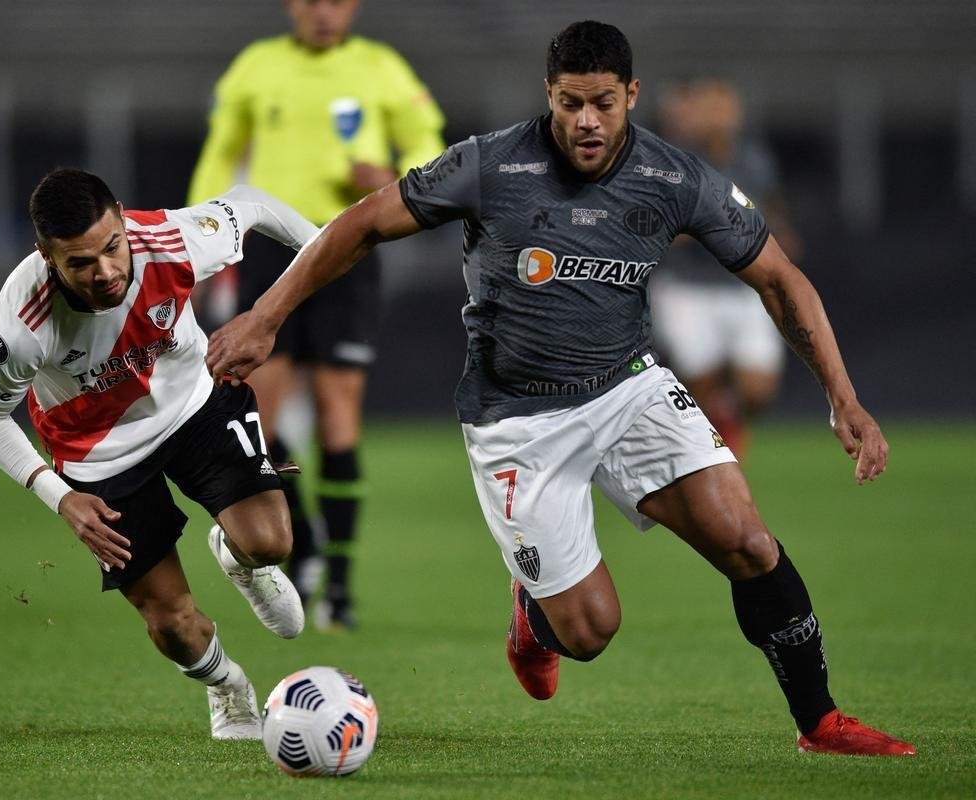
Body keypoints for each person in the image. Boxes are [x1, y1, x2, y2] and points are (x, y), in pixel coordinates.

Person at [204, 22, 916, 756]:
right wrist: (266, 315)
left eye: (604, 103)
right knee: (590, 632)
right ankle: (534, 616)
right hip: (518, 422)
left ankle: (820, 722)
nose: (586, 121)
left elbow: (779, 278)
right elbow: (360, 224)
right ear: (549, 94)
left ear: (631, 95)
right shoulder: (488, 166)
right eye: (570, 102)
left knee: (748, 541)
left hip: (628, 388)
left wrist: (843, 394)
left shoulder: (676, 177)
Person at [0, 168, 316, 740]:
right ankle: (228, 687)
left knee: (270, 541)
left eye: (111, 247)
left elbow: (250, 203)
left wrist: (317, 245)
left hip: (194, 403)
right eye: (79, 263)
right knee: (172, 624)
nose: (104, 272)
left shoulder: (171, 240)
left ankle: (237, 556)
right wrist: (61, 498)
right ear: (46, 257)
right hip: (98, 457)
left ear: (124, 220)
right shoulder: (22, 327)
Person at [186, 0, 446, 628]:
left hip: (348, 251)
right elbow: (221, 156)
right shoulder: (256, 67)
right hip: (270, 255)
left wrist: (391, 174)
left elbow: (429, 150)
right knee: (262, 422)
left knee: (338, 418)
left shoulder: (382, 68)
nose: (324, 11)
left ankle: (340, 590)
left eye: (336, 0)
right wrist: (194, 243)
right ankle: (302, 553)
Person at [650, 78, 802, 458]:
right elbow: (659, 224)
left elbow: (771, 206)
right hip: (689, 286)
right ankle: (707, 454)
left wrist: (782, 232)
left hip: (743, 285)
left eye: (725, 109)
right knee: (699, 381)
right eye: (710, 109)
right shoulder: (676, 161)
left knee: (759, 389)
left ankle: (727, 421)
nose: (719, 118)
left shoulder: (753, 159)